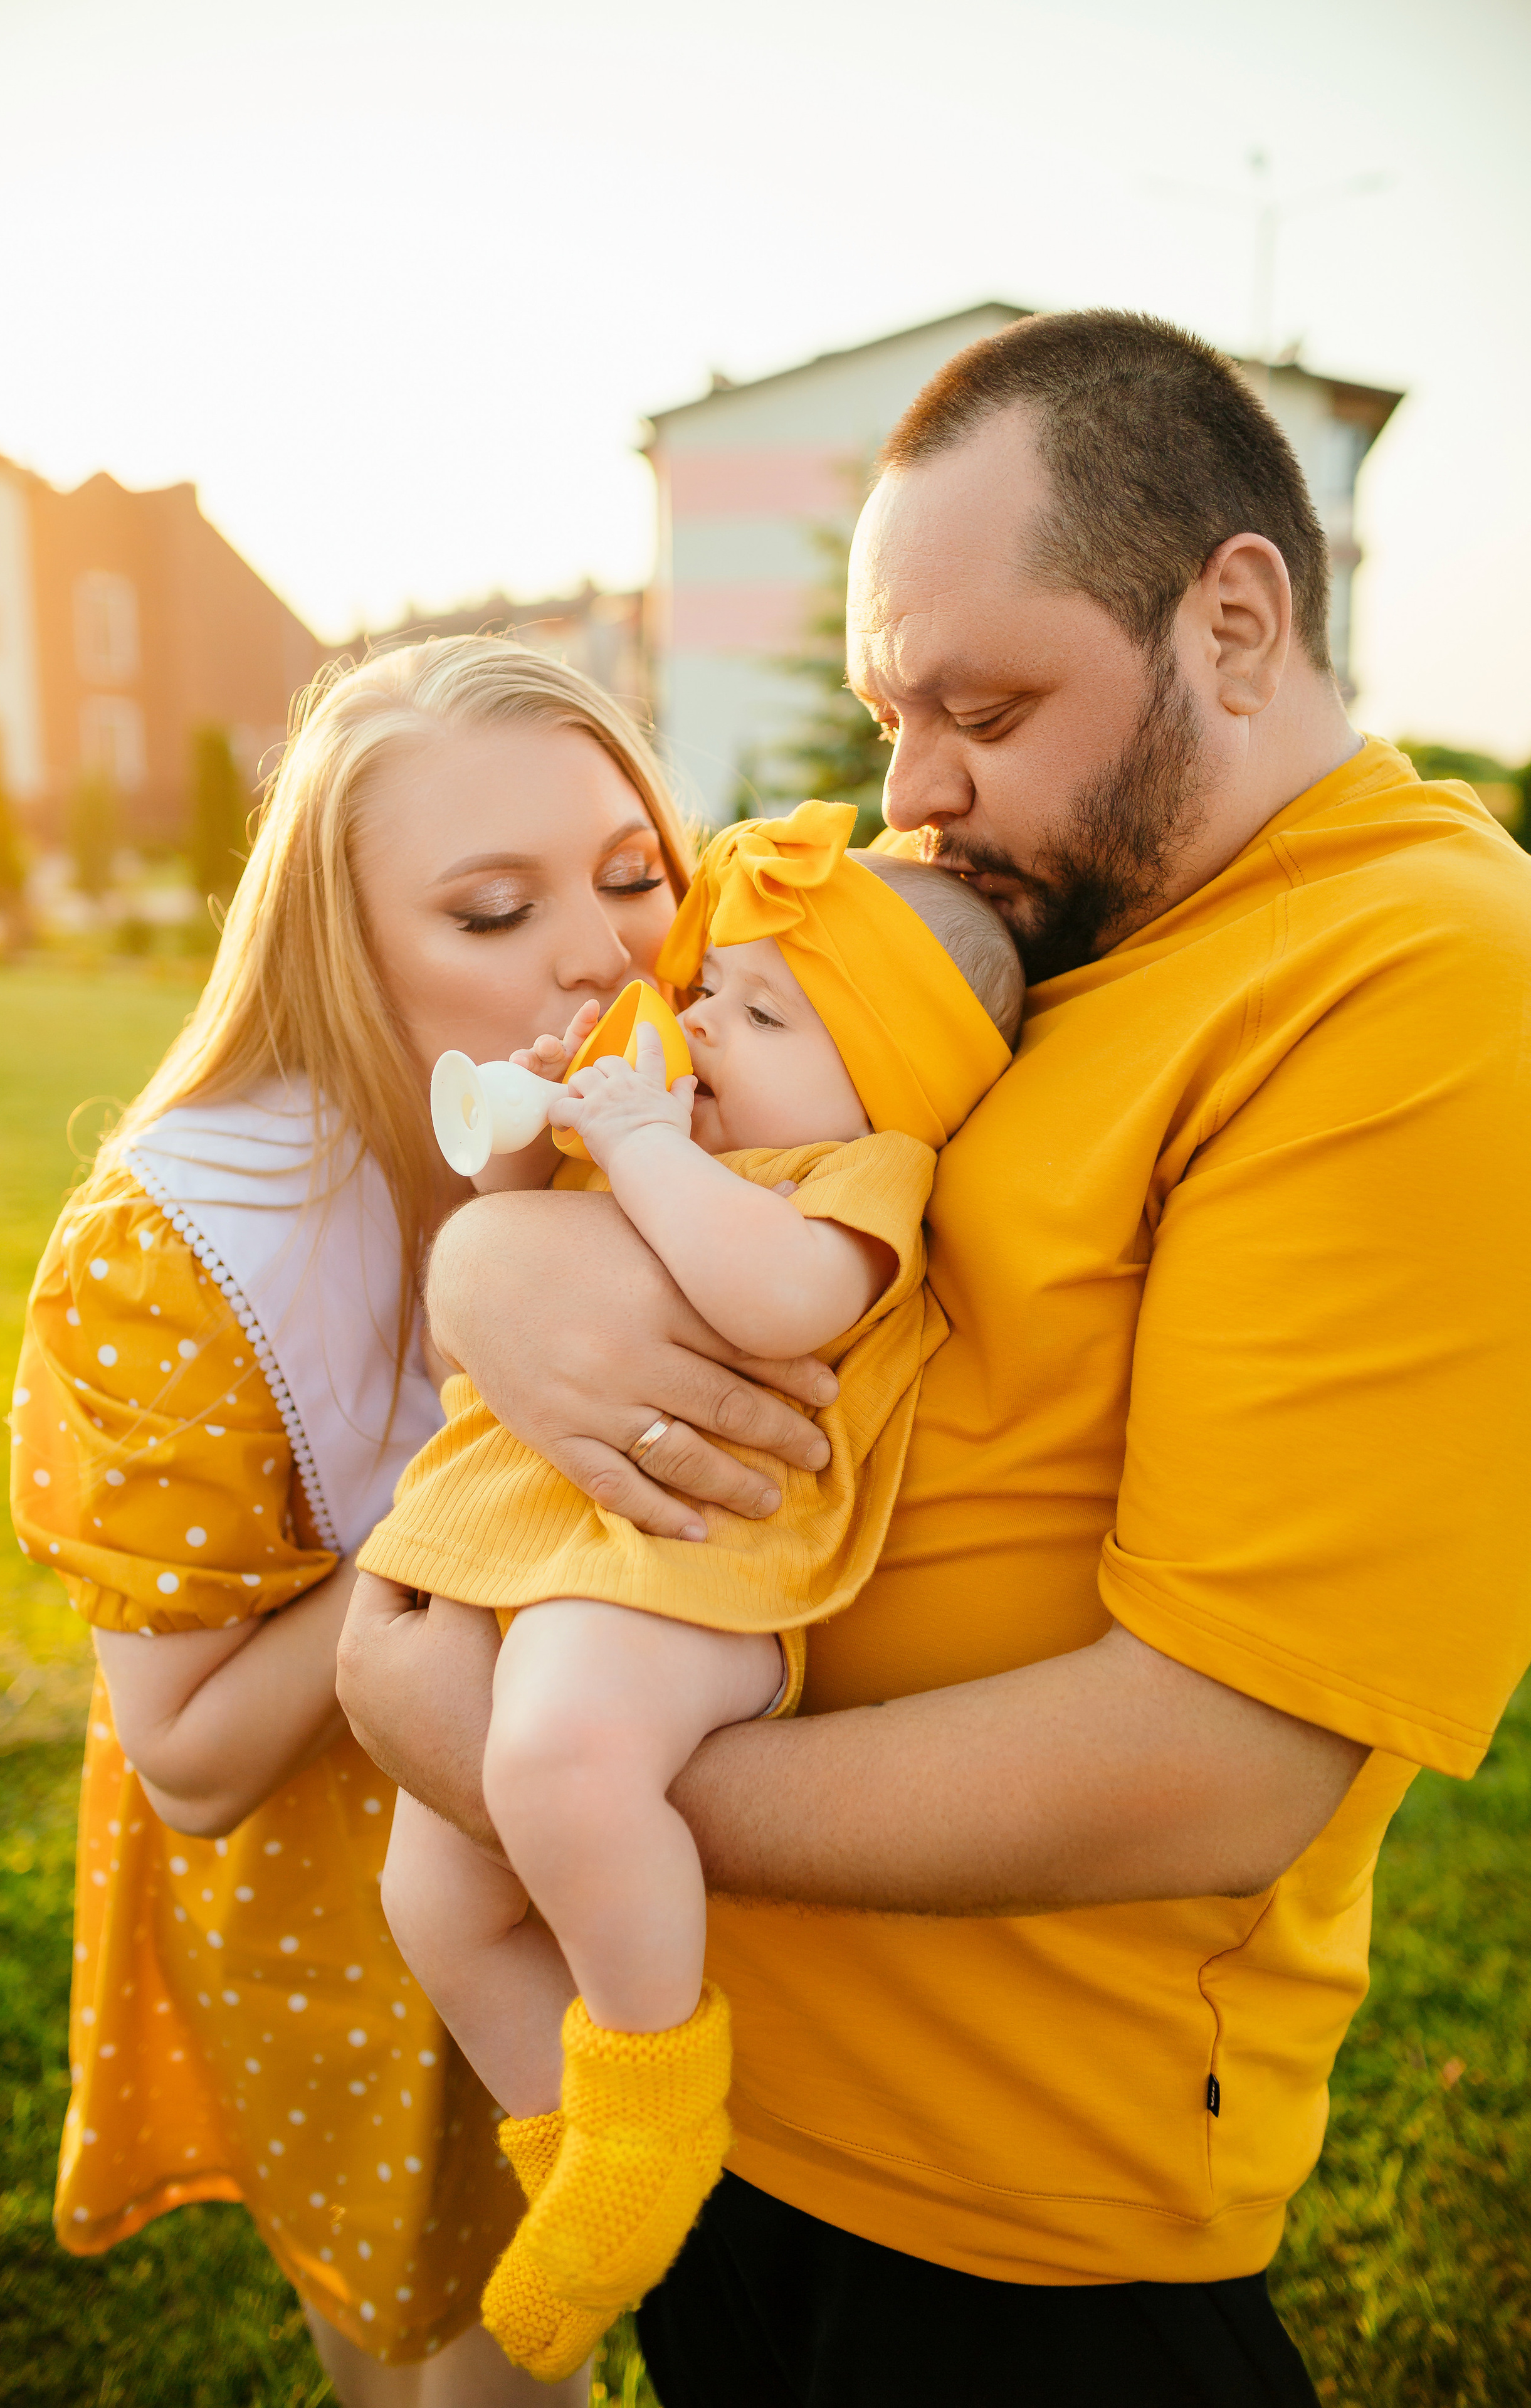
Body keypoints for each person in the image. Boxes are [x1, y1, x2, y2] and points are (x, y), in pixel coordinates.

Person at [339, 311, 1531, 2408]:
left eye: (986, 704)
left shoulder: (1417, 976)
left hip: (1005, 2228)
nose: (910, 788)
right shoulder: (965, 887)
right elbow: (604, 1091)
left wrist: (559, 1770)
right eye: (897, 706)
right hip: (715, 2087)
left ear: (1237, 624)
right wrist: (486, 1284)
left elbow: (1223, 1758)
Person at [8, 635, 722, 2406]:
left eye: (635, 878)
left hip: (607, 1854)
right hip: (327, 1895)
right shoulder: (175, 1247)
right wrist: (483, 1465)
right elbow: (188, 1756)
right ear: (346, 948)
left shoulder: (695, 1131)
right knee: (423, 2337)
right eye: (491, 912)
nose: (601, 952)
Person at [357, 801, 1021, 2378]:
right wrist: (538, 1121)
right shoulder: (679, 1143)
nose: (703, 1016)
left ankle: (653, 2085)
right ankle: (588, 2158)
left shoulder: (851, 1182)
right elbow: (501, 1226)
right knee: (433, 1895)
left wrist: (647, 1143)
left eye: (763, 1011)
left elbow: (775, 1301)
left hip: (699, 1582)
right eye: (710, 988)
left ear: (887, 1080)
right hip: (563, 1558)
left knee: (548, 1762)